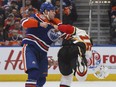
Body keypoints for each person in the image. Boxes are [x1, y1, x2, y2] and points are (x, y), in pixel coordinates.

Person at [21, 2, 64, 87]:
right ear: (46, 11)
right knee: (33, 73)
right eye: (52, 11)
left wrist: (46, 61)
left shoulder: (55, 23)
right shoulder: (38, 17)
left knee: (42, 78)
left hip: (43, 53)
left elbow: (63, 28)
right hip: (31, 48)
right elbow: (24, 22)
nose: (55, 13)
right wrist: (39, 24)